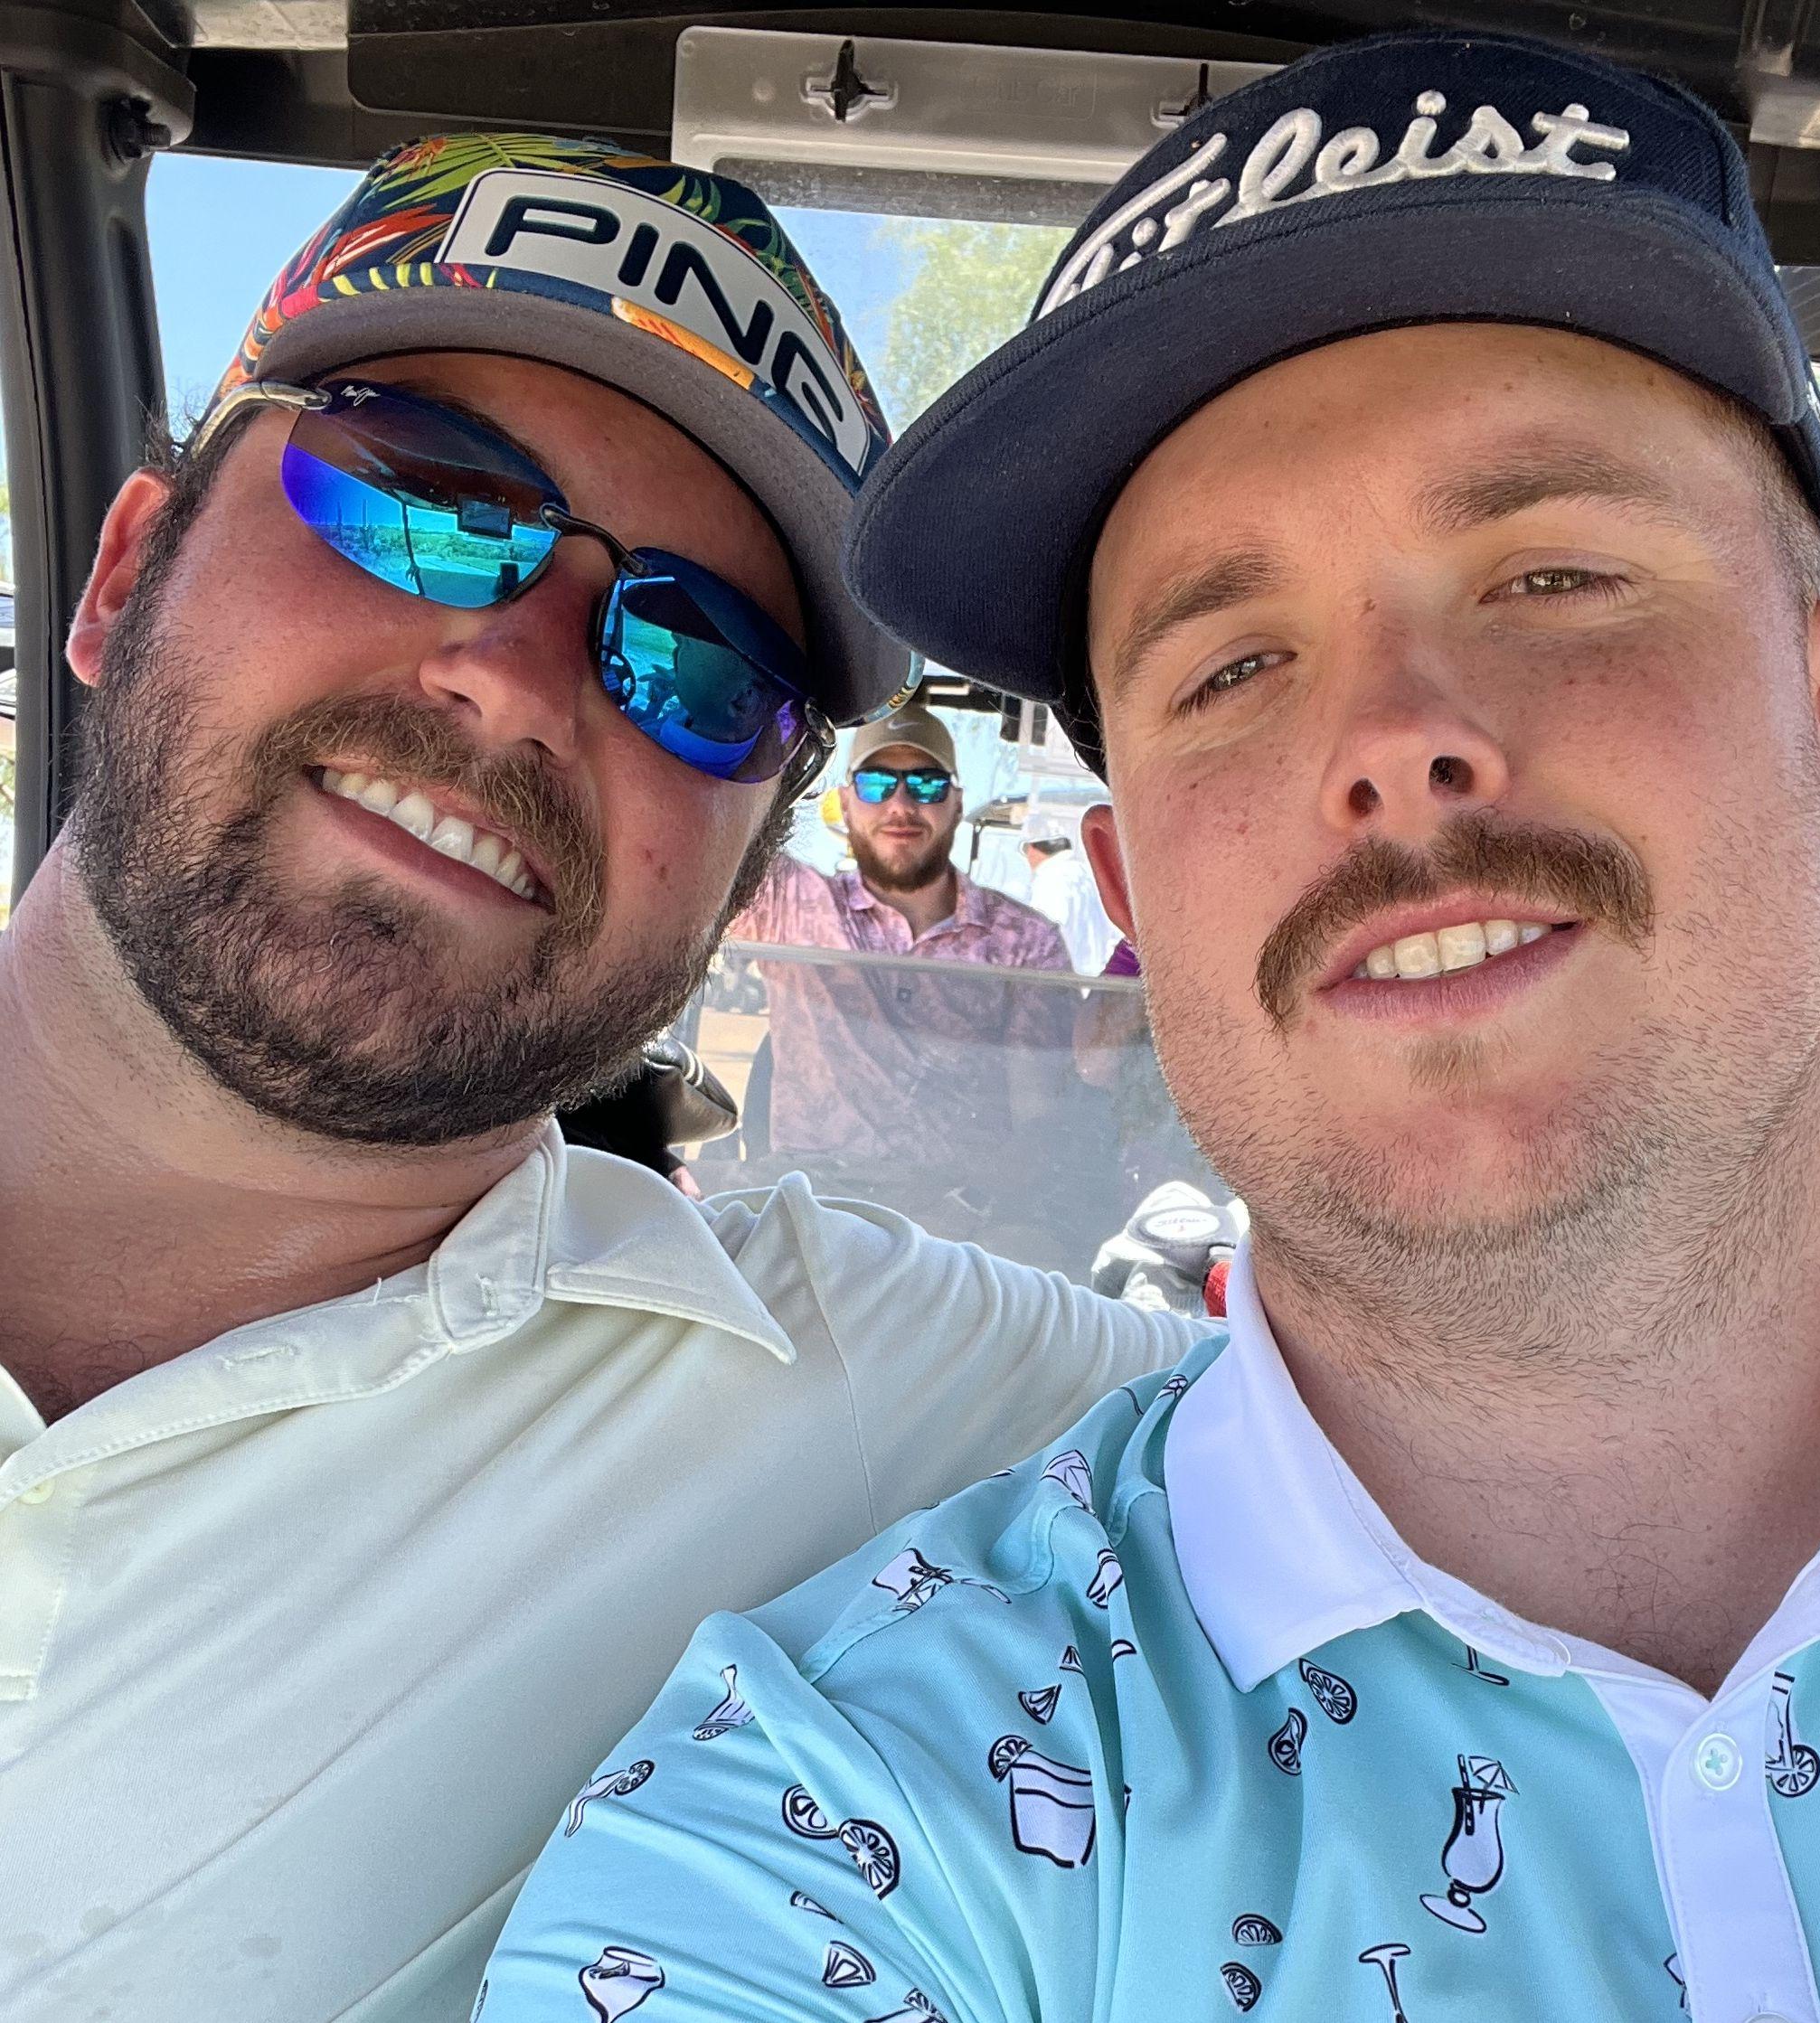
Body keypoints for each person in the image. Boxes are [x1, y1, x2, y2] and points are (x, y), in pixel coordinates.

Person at [478, 34, 1820, 2021]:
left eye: (1552, 572)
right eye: (1229, 666)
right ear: (1137, 905)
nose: (1392, 738)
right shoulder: (836, 1813)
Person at [0, 133, 1203, 2023]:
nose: (519, 676)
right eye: (419, 499)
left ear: (741, 877)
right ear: (125, 570)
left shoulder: (842, 1380)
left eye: (702, 665)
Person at [725, 706, 1081, 1246]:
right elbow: (722, 815)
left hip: (957, 1228)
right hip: (812, 1210)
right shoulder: (790, 904)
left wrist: (974, 1208)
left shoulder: (1024, 942)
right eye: (876, 784)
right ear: (845, 802)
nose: (900, 805)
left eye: (926, 784)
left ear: (956, 803)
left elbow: (1041, 1121)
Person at [1022, 804, 1119, 974]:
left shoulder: (1051, 880)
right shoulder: (1086, 874)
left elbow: (1042, 938)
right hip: (1097, 977)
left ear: (1032, 849)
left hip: (1066, 980)